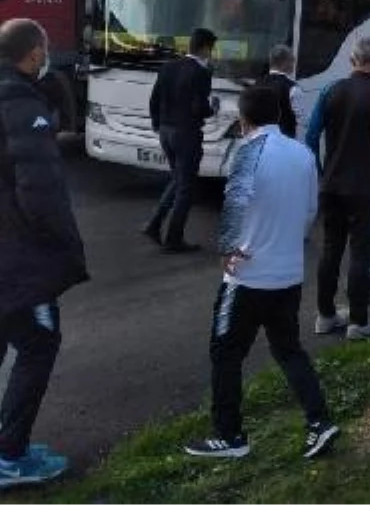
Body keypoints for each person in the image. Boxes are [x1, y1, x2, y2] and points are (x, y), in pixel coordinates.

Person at [184, 86, 339, 460]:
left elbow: (234, 203)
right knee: (288, 350)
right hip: (288, 274)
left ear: (243, 120)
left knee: (225, 352)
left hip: (248, 276)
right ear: (280, 114)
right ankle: (319, 421)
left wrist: (225, 246)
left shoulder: (246, 152)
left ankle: (230, 435)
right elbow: (308, 211)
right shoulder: (302, 153)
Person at [0, 19, 88, 489]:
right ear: (33, 53)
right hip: (19, 260)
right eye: (45, 49)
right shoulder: (20, 104)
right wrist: (64, 246)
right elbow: (41, 193)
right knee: (39, 343)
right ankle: (10, 457)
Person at [305, 36, 370, 341]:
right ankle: (359, 322)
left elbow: (311, 134)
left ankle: (325, 315)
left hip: (331, 183)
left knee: (331, 248)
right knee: (360, 251)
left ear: (352, 60)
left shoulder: (331, 89)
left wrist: (320, 171)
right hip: (364, 184)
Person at [144, 27, 220, 252]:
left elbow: (154, 99)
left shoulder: (168, 67)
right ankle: (174, 238)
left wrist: (158, 125)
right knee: (186, 188)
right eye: (211, 49)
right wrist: (213, 108)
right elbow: (199, 108)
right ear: (205, 48)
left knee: (177, 179)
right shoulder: (201, 73)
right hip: (187, 134)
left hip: (166, 132)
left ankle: (154, 224)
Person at [256, 45, 303, 139]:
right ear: (285, 62)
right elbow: (301, 120)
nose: (293, 65)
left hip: (260, 141)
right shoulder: (293, 88)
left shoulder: (257, 83)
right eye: (292, 61)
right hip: (284, 142)